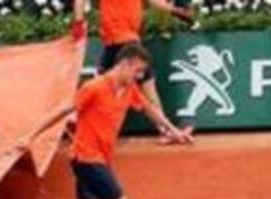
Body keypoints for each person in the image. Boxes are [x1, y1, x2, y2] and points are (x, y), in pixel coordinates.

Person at [35, 44, 191, 199]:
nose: (139, 76)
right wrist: (31, 135)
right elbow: (64, 110)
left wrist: (173, 132)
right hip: (87, 158)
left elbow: (151, 110)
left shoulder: (128, 89)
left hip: (98, 159)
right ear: (125, 64)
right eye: (137, 71)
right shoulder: (94, 87)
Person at [70, 0, 194, 144]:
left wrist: (78, 23)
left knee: (101, 88)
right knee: (146, 89)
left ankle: (79, 122)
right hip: (123, 42)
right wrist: (175, 10)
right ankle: (167, 131)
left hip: (118, 43)